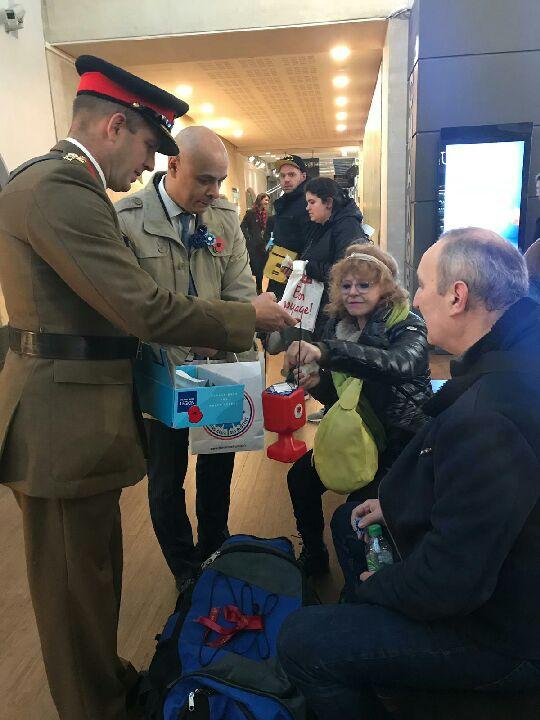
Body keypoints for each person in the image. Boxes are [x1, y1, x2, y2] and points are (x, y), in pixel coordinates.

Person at [0, 55, 294, 720]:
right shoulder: (61, 192)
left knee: (94, 579)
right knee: (73, 594)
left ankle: (108, 680)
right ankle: (94, 704)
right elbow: (143, 309)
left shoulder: (68, 189)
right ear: (113, 126)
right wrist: (247, 317)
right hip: (62, 424)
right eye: (146, 146)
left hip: (82, 418)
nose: (146, 165)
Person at [278, 228, 540, 720]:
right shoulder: (511, 356)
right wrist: (397, 507)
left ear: (457, 297)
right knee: (352, 522)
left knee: (301, 641)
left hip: (506, 637)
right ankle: (367, 650)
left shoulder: (490, 414)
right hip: (496, 588)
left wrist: (379, 588)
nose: (415, 296)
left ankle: (364, 658)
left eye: (422, 284)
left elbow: (452, 580)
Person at [117, 125, 258, 591]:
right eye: (204, 179)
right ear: (172, 164)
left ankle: (214, 548)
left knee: (218, 463)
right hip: (163, 374)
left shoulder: (223, 218)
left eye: (219, 181)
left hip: (218, 366)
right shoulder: (127, 220)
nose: (213, 191)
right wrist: (202, 330)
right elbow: (133, 305)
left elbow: (241, 289)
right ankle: (184, 569)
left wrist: (219, 336)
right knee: (167, 476)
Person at [284, 244, 431, 576]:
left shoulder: (408, 324)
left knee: (357, 513)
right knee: (300, 479)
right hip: (358, 432)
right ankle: (315, 554)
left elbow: (397, 363)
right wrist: (315, 384)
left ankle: (370, 582)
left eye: (364, 285)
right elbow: (341, 399)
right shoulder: (339, 327)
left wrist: (326, 352)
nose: (354, 293)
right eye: (347, 285)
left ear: (386, 289)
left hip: (399, 441)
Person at [268, 154, 313, 299]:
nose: (286, 179)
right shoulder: (285, 202)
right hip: (279, 269)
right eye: (282, 175)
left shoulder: (308, 203)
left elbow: (311, 242)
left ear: (303, 176)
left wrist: (300, 267)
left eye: (292, 174)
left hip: (296, 276)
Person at [241, 192, 270, 294]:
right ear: (260, 200)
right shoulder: (250, 213)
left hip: (263, 245)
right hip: (253, 246)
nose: (267, 202)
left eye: (268, 200)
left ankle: (259, 288)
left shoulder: (266, 214)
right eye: (265, 200)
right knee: (254, 267)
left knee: (261, 268)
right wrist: (249, 237)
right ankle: (251, 288)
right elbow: (243, 226)